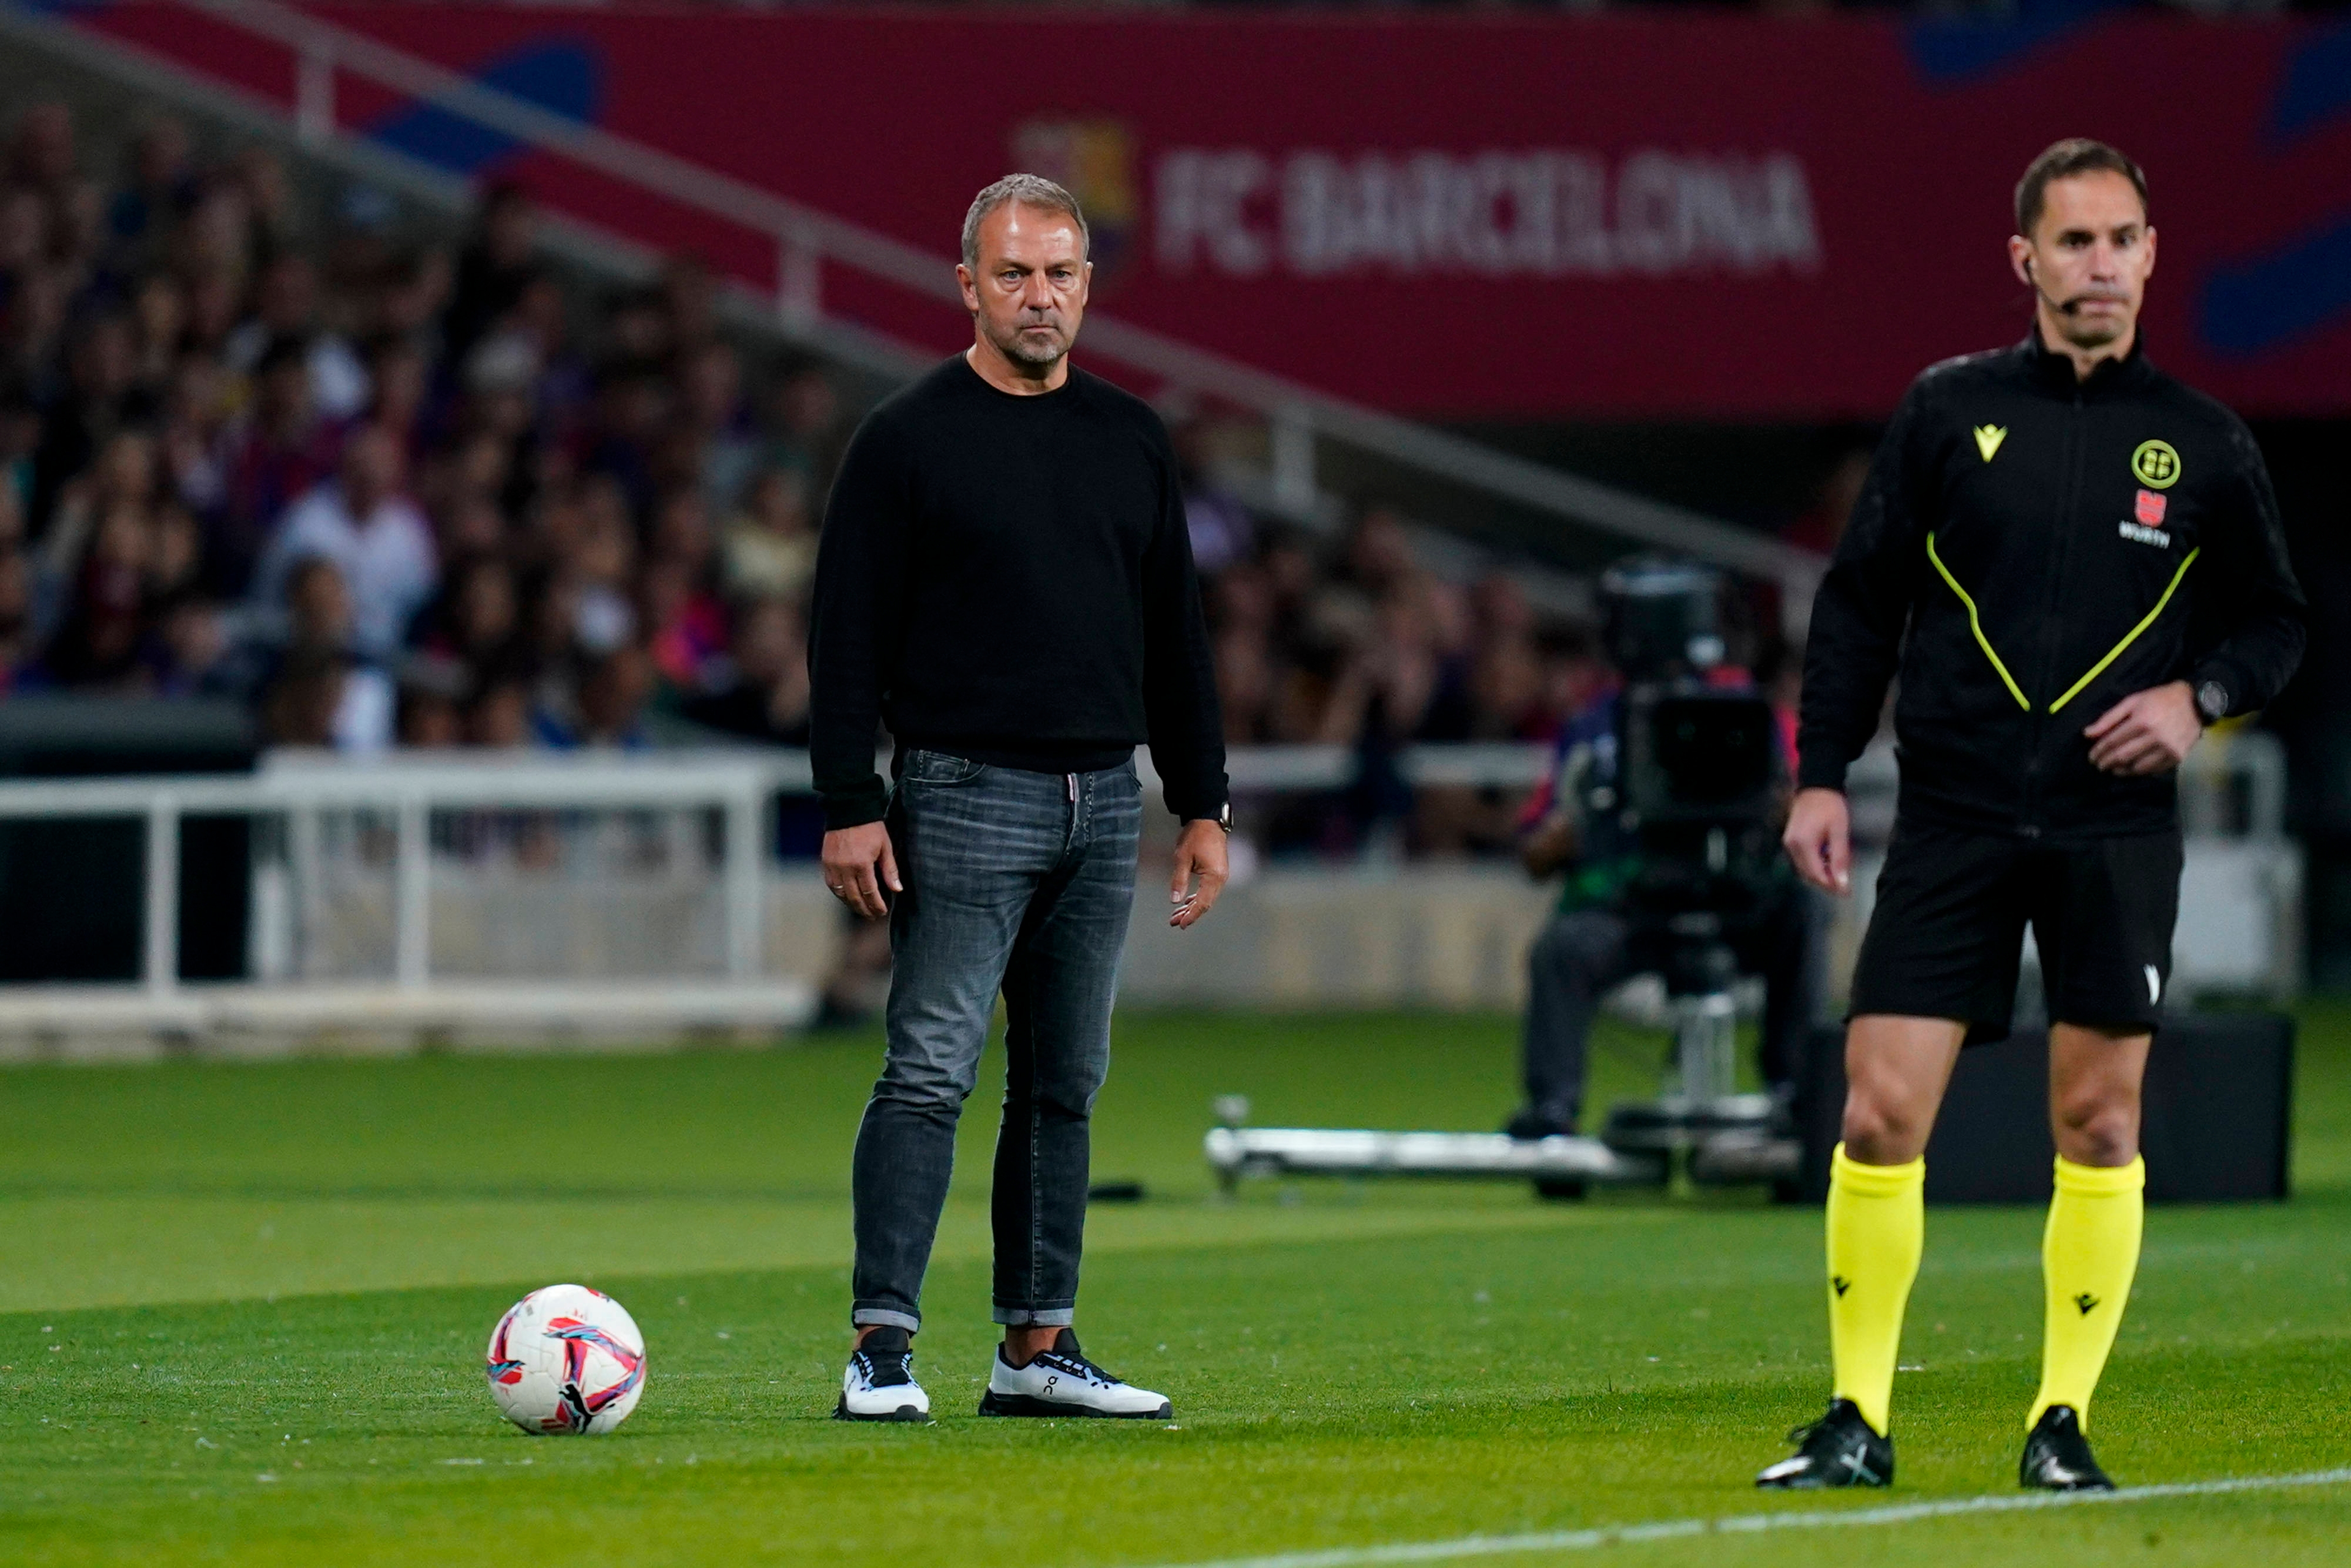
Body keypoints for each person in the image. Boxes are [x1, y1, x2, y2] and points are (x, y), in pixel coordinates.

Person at [1761, 141, 2305, 1493]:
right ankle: (1855, 1416)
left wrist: (2202, 695)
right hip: (1951, 812)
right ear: (2025, 261)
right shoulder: (1947, 413)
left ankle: (2061, 1422)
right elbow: (1860, 601)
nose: (2101, 265)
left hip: (2112, 826)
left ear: (2152, 255)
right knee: (1880, 1115)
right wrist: (1822, 769)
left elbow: (2278, 618)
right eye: (2074, 242)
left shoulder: (2206, 442)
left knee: (2100, 1125)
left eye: (2123, 239)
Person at [810, 174, 1228, 1424]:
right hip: (959, 786)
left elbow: (1178, 637)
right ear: (967, 286)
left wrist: (1200, 797)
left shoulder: (1132, 437)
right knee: (930, 1065)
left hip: (1104, 797)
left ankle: (1033, 1345)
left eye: (1059, 274)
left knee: (1062, 1081)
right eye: (1012, 274)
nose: (1037, 297)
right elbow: (844, 638)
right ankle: (880, 1346)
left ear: (1089, 286)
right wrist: (848, 796)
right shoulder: (905, 437)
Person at [1505, 563, 1827, 1163]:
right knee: (1562, 948)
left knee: (1801, 912)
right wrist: (1563, 837)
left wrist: (1786, 813)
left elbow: (1806, 814)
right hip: (1636, 906)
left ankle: (1798, 1093)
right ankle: (1553, 1110)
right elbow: (1535, 843)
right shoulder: (1595, 727)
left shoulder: (1754, 717)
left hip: (1735, 900)